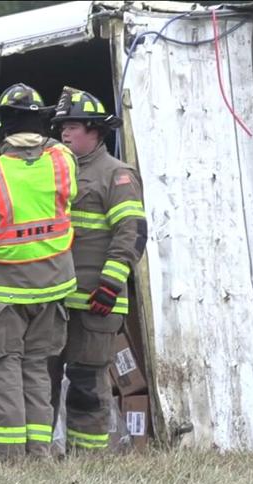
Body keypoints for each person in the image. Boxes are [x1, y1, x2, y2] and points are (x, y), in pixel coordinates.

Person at [0, 83, 78, 457]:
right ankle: (39, 452)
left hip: (3, 292)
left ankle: (10, 458)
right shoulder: (63, 163)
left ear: (2, 128)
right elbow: (61, 162)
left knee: (3, 367)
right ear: (43, 124)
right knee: (37, 369)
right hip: (53, 288)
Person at [49, 87, 147, 453]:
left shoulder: (116, 175)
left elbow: (132, 232)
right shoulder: (54, 172)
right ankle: (41, 458)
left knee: (86, 383)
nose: (64, 133)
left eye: (72, 125)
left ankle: (88, 459)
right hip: (55, 299)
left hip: (96, 300)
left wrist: (110, 283)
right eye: (61, 126)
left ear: (95, 130)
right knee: (43, 380)